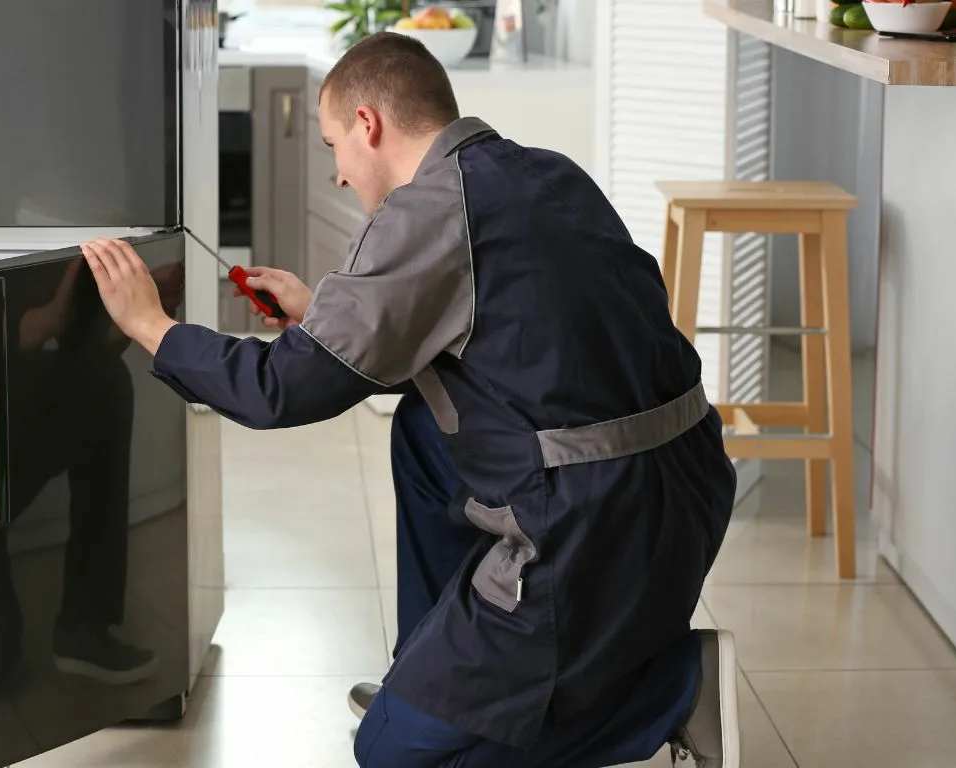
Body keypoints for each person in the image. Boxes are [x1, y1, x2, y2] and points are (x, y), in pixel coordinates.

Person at [78, 31, 739, 768]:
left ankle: (677, 690)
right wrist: (318, 320)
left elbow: (280, 390)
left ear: (369, 124)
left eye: (333, 144)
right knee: (423, 433)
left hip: (591, 523)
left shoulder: (426, 210)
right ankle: (432, 674)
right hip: (690, 482)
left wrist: (152, 326)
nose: (336, 173)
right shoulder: (543, 172)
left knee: (392, 753)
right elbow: (513, 348)